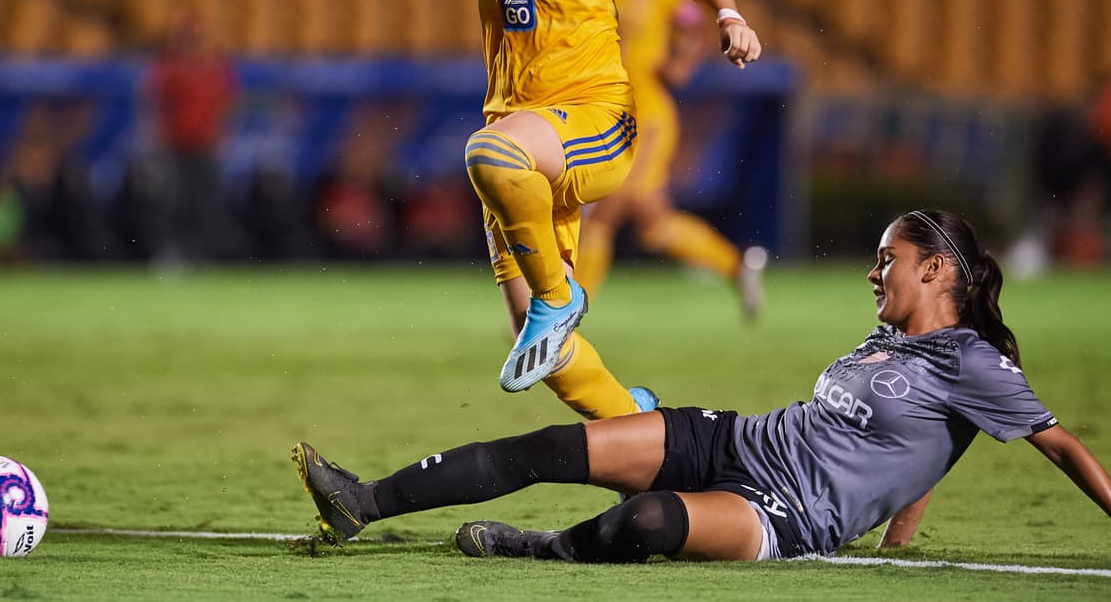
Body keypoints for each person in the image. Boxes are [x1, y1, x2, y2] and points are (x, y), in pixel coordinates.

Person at [246, 0, 761, 420]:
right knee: (545, 356)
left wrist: (729, 17)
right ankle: (649, 434)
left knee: (489, 155)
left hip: (593, 121)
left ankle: (558, 294)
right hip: (525, 144)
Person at [292, 209, 1111, 561]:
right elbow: (921, 451)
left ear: (936, 269)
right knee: (551, 446)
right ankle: (362, 500)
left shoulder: (974, 362)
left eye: (887, 258)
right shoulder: (888, 340)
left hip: (786, 512)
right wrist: (901, 538)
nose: (873, 270)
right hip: (737, 438)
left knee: (645, 521)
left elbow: (1061, 444)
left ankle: (542, 548)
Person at [574, 0, 767, 320]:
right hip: (612, 112)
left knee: (602, 216)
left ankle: (568, 314)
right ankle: (737, 266)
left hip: (647, 118)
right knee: (654, 225)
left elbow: (692, 25)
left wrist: (682, 64)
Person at [144, 17, 238, 265]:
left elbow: (227, 103)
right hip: (177, 145)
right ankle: (172, 251)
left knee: (205, 201)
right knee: (174, 199)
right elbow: (156, 104)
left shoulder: (215, 68)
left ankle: (203, 252)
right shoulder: (170, 68)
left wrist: (221, 133)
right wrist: (158, 135)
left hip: (205, 144)